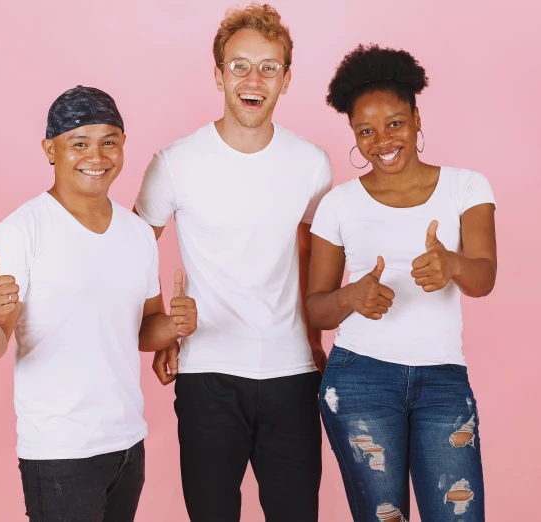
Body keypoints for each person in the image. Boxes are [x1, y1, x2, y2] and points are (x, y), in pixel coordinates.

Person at [134, 4, 332, 521]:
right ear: (218, 73)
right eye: (239, 65)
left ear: (286, 79)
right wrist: (160, 326)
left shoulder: (311, 163)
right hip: (208, 375)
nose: (253, 78)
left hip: (291, 373)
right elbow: (130, 249)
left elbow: (311, 254)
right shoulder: (175, 162)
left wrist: (313, 340)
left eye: (269, 67)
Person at [0, 86, 197, 522]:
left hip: (127, 444)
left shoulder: (138, 233)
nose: (97, 155)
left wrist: (176, 324)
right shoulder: (20, 233)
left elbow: (143, 329)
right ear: (50, 150)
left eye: (109, 141)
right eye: (79, 143)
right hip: (59, 453)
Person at [305, 45, 497, 522]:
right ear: (353, 135)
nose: (382, 140)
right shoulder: (338, 204)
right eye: (365, 131)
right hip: (359, 380)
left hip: (443, 382)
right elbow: (316, 308)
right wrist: (351, 297)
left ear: (415, 117)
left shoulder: (466, 187)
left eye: (394, 123)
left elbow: (484, 277)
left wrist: (451, 264)